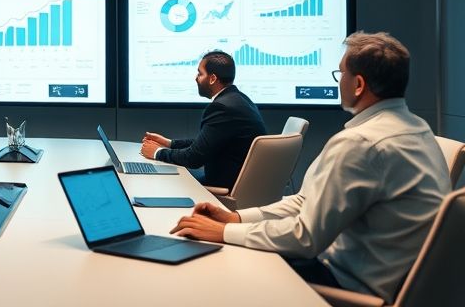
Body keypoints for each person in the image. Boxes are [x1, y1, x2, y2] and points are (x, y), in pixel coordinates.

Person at [170, 31, 450, 303]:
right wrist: (236, 219)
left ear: (358, 85)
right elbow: (307, 200)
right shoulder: (418, 129)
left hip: (344, 282)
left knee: (216, 266)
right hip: (374, 273)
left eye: (340, 74)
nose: (338, 82)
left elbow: (305, 238)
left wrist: (222, 233)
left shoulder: (360, 143)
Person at [139, 50, 267, 189]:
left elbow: (194, 158)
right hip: (241, 183)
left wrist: (157, 152)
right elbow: (207, 144)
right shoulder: (240, 100)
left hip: (223, 185)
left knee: (162, 180)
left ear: (212, 79)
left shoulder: (222, 107)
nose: (196, 78)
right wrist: (169, 143)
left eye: (200, 74)